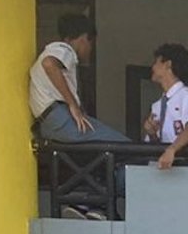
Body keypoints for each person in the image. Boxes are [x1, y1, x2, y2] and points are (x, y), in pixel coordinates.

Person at [30, 13, 128, 144]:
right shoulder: (65, 49)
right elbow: (49, 64)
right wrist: (73, 105)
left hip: (51, 121)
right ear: (83, 38)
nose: (90, 49)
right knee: (122, 143)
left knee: (102, 147)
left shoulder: (53, 50)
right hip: (59, 118)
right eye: (90, 43)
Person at [142, 43, 188, 172]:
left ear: (168, 64)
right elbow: (157, 144)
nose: (153, 67)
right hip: (166, 167)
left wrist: (172, 150)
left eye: (156, 62)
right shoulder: (157, 105)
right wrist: (152, 133)